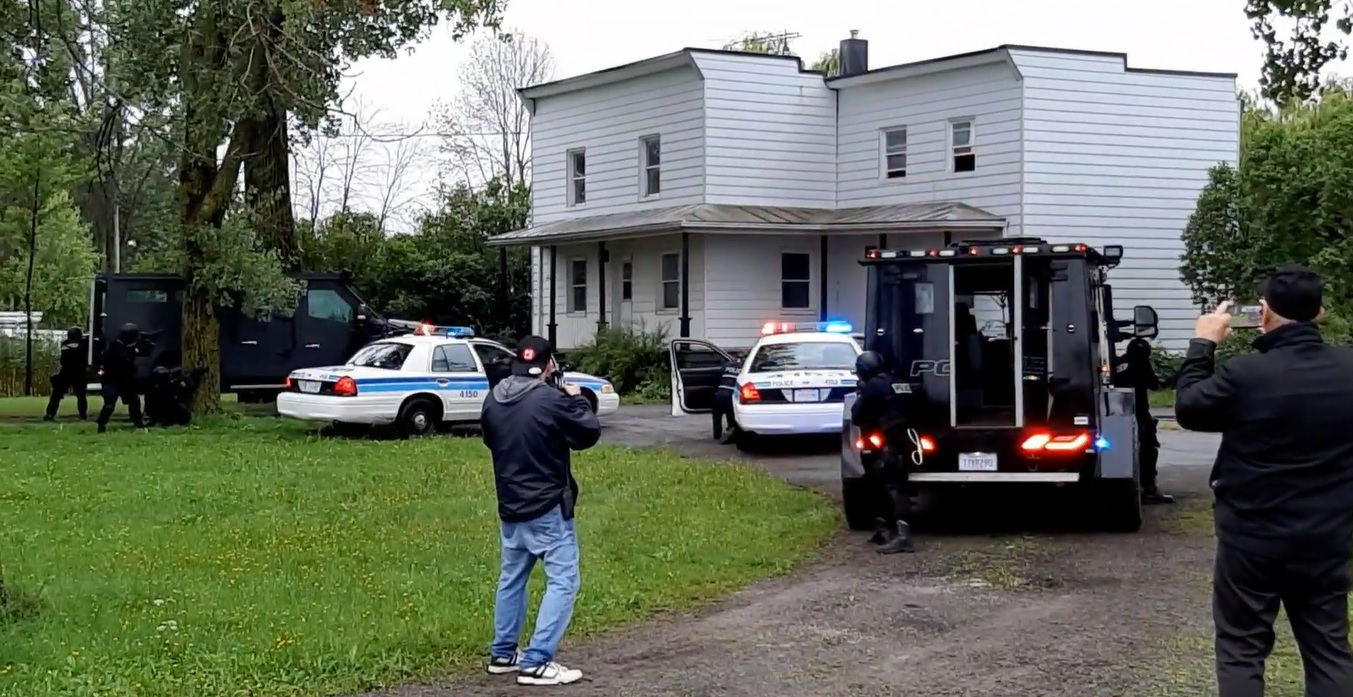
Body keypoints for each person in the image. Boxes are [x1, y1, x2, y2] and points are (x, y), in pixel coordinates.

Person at [1175, 264, 1353, 697]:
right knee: (1329, 647)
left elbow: (1190, 408)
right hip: (1326, 533)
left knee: (1241, 646)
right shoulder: (1348, 368)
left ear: (1265, 312)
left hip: (1252, 534)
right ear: (1320, 312)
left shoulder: (1246, 374)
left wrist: (1203, 343)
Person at [480, 335, 601, 686]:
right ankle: (536, 661)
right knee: (564, 580)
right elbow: (588, 433)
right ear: (548, 365)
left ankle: (504, 653)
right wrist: (576, 399)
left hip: (510, 503)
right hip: (547, 504)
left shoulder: (494, 397)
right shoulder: (549, 398)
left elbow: (490, 439)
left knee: (512, 578)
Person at [850, 350, 915, 554]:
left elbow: (857, 416)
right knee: (888, 484)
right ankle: (884, 530)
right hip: (906, 440)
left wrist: (861, 394)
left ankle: (902, 537)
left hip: (888, 443)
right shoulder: (900, 383)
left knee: (893, 487)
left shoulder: (872, 386)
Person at [1118, 335, 1174, 504]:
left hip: (1121, 414)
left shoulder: (1121, 367)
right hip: (1139, 414)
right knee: (1148, 451)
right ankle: (1148, 488)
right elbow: (1154, 384)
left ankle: (1141, 487)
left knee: (1139, 451)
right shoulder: (1141, 368)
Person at [95, 323, 145, 433]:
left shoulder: (121, 345)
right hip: (113, 379)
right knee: (110, 404)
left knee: (134, 401)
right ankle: (101, 424)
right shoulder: (115, 347)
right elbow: (124, 360)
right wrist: (134, 351)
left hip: (124, 379)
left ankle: (138, 424)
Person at [44, 326, 88, 421]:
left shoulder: (65, 345)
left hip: (66, 372)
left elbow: (63, 361)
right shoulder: (82, 345)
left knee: (57, 394)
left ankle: (50, 413)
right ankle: (83, 414)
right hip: (78, 373)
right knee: (81, 395)